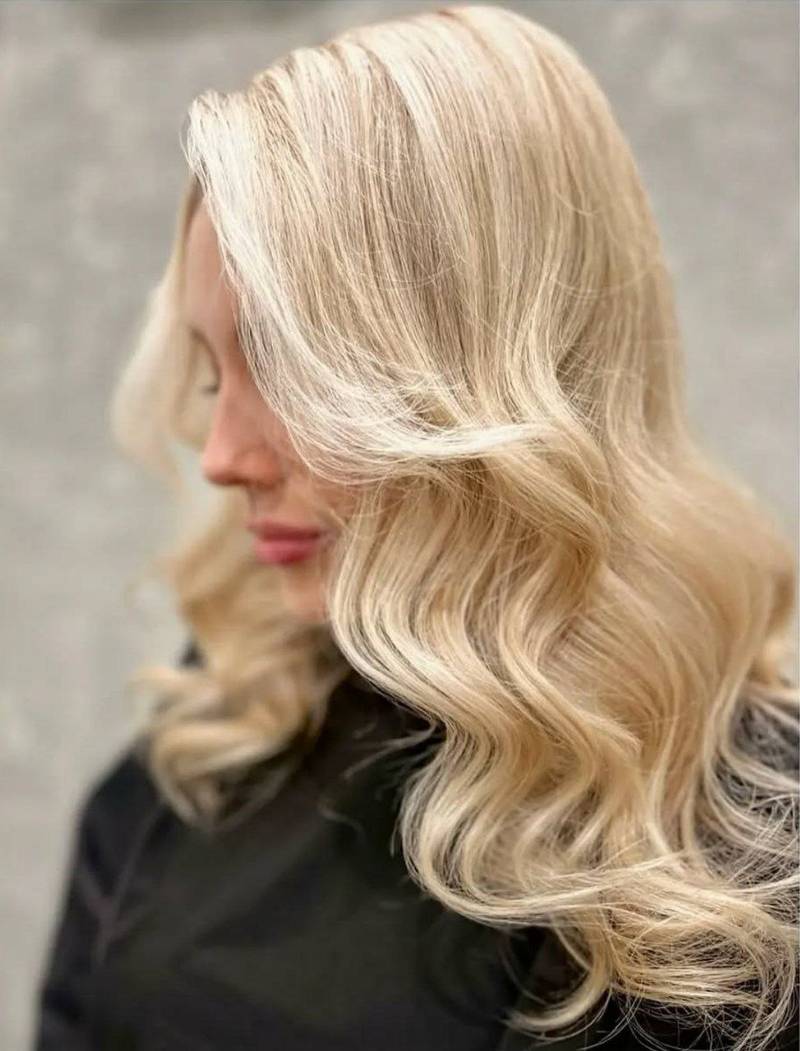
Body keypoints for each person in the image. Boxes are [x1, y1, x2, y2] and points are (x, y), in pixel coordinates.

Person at [33, 4, 799, 1049]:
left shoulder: (735, 860)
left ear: (482, 374)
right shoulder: (224, 733)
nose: (221, 456)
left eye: (289, 370)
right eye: (213, 378)